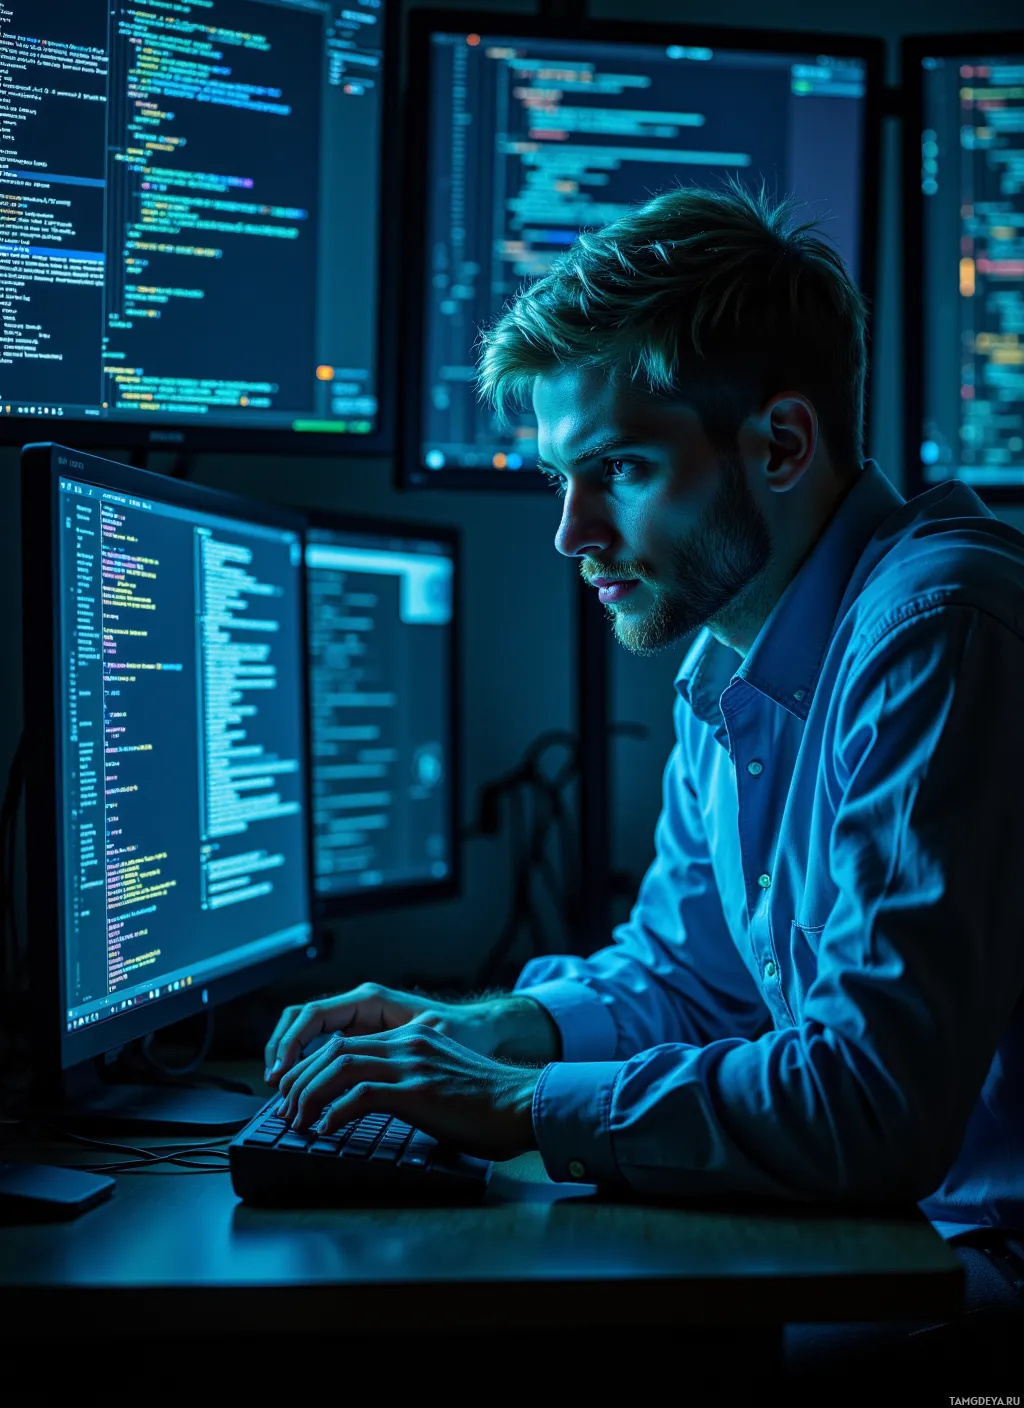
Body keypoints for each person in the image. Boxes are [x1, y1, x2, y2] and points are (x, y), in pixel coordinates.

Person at [264, 181, 1024, 1373]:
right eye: (560, 479)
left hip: (994, 1267)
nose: (570, 531)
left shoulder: (937, 628)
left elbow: (871, 1106)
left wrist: (514, 1103)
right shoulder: (736, 657)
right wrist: (484, 1029)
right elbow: (692, 977)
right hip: (910, 1239)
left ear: (780, 442)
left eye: (616, 468)